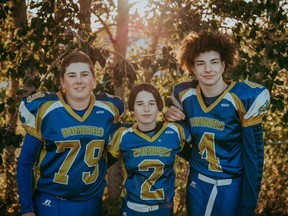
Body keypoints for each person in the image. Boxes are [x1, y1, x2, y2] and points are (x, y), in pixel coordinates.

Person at [165, 30, 270, 216]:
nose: (208, 69)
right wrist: (171, 121)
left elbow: (254, 158)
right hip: (198, 183)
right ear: (192, 68)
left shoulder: (243, 98)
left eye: (214, 62)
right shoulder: (185, 96)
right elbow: (180, 140)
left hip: (231, 184)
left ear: (223, 65)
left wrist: (247, 205)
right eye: (201, 63)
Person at [17, 51, 124, 216]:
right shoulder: (45, 110)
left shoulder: (108, 108)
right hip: (51, 201)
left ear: (94, 80)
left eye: (85, 74)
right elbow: (26, 162)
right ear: (62, 82)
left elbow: (120, 145)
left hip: (91, 202)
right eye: (72, 75)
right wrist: (26, 208)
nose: (79, 80)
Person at [108, 83, 191, 216]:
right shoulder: (123, 135)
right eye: (140, 104)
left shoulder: (173, 132)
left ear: (159, 107)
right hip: (131, 208)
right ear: (132, 108)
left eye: (151, 103)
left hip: (163, 209)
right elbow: (99, 165)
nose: (146, 109)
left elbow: (197, 160)